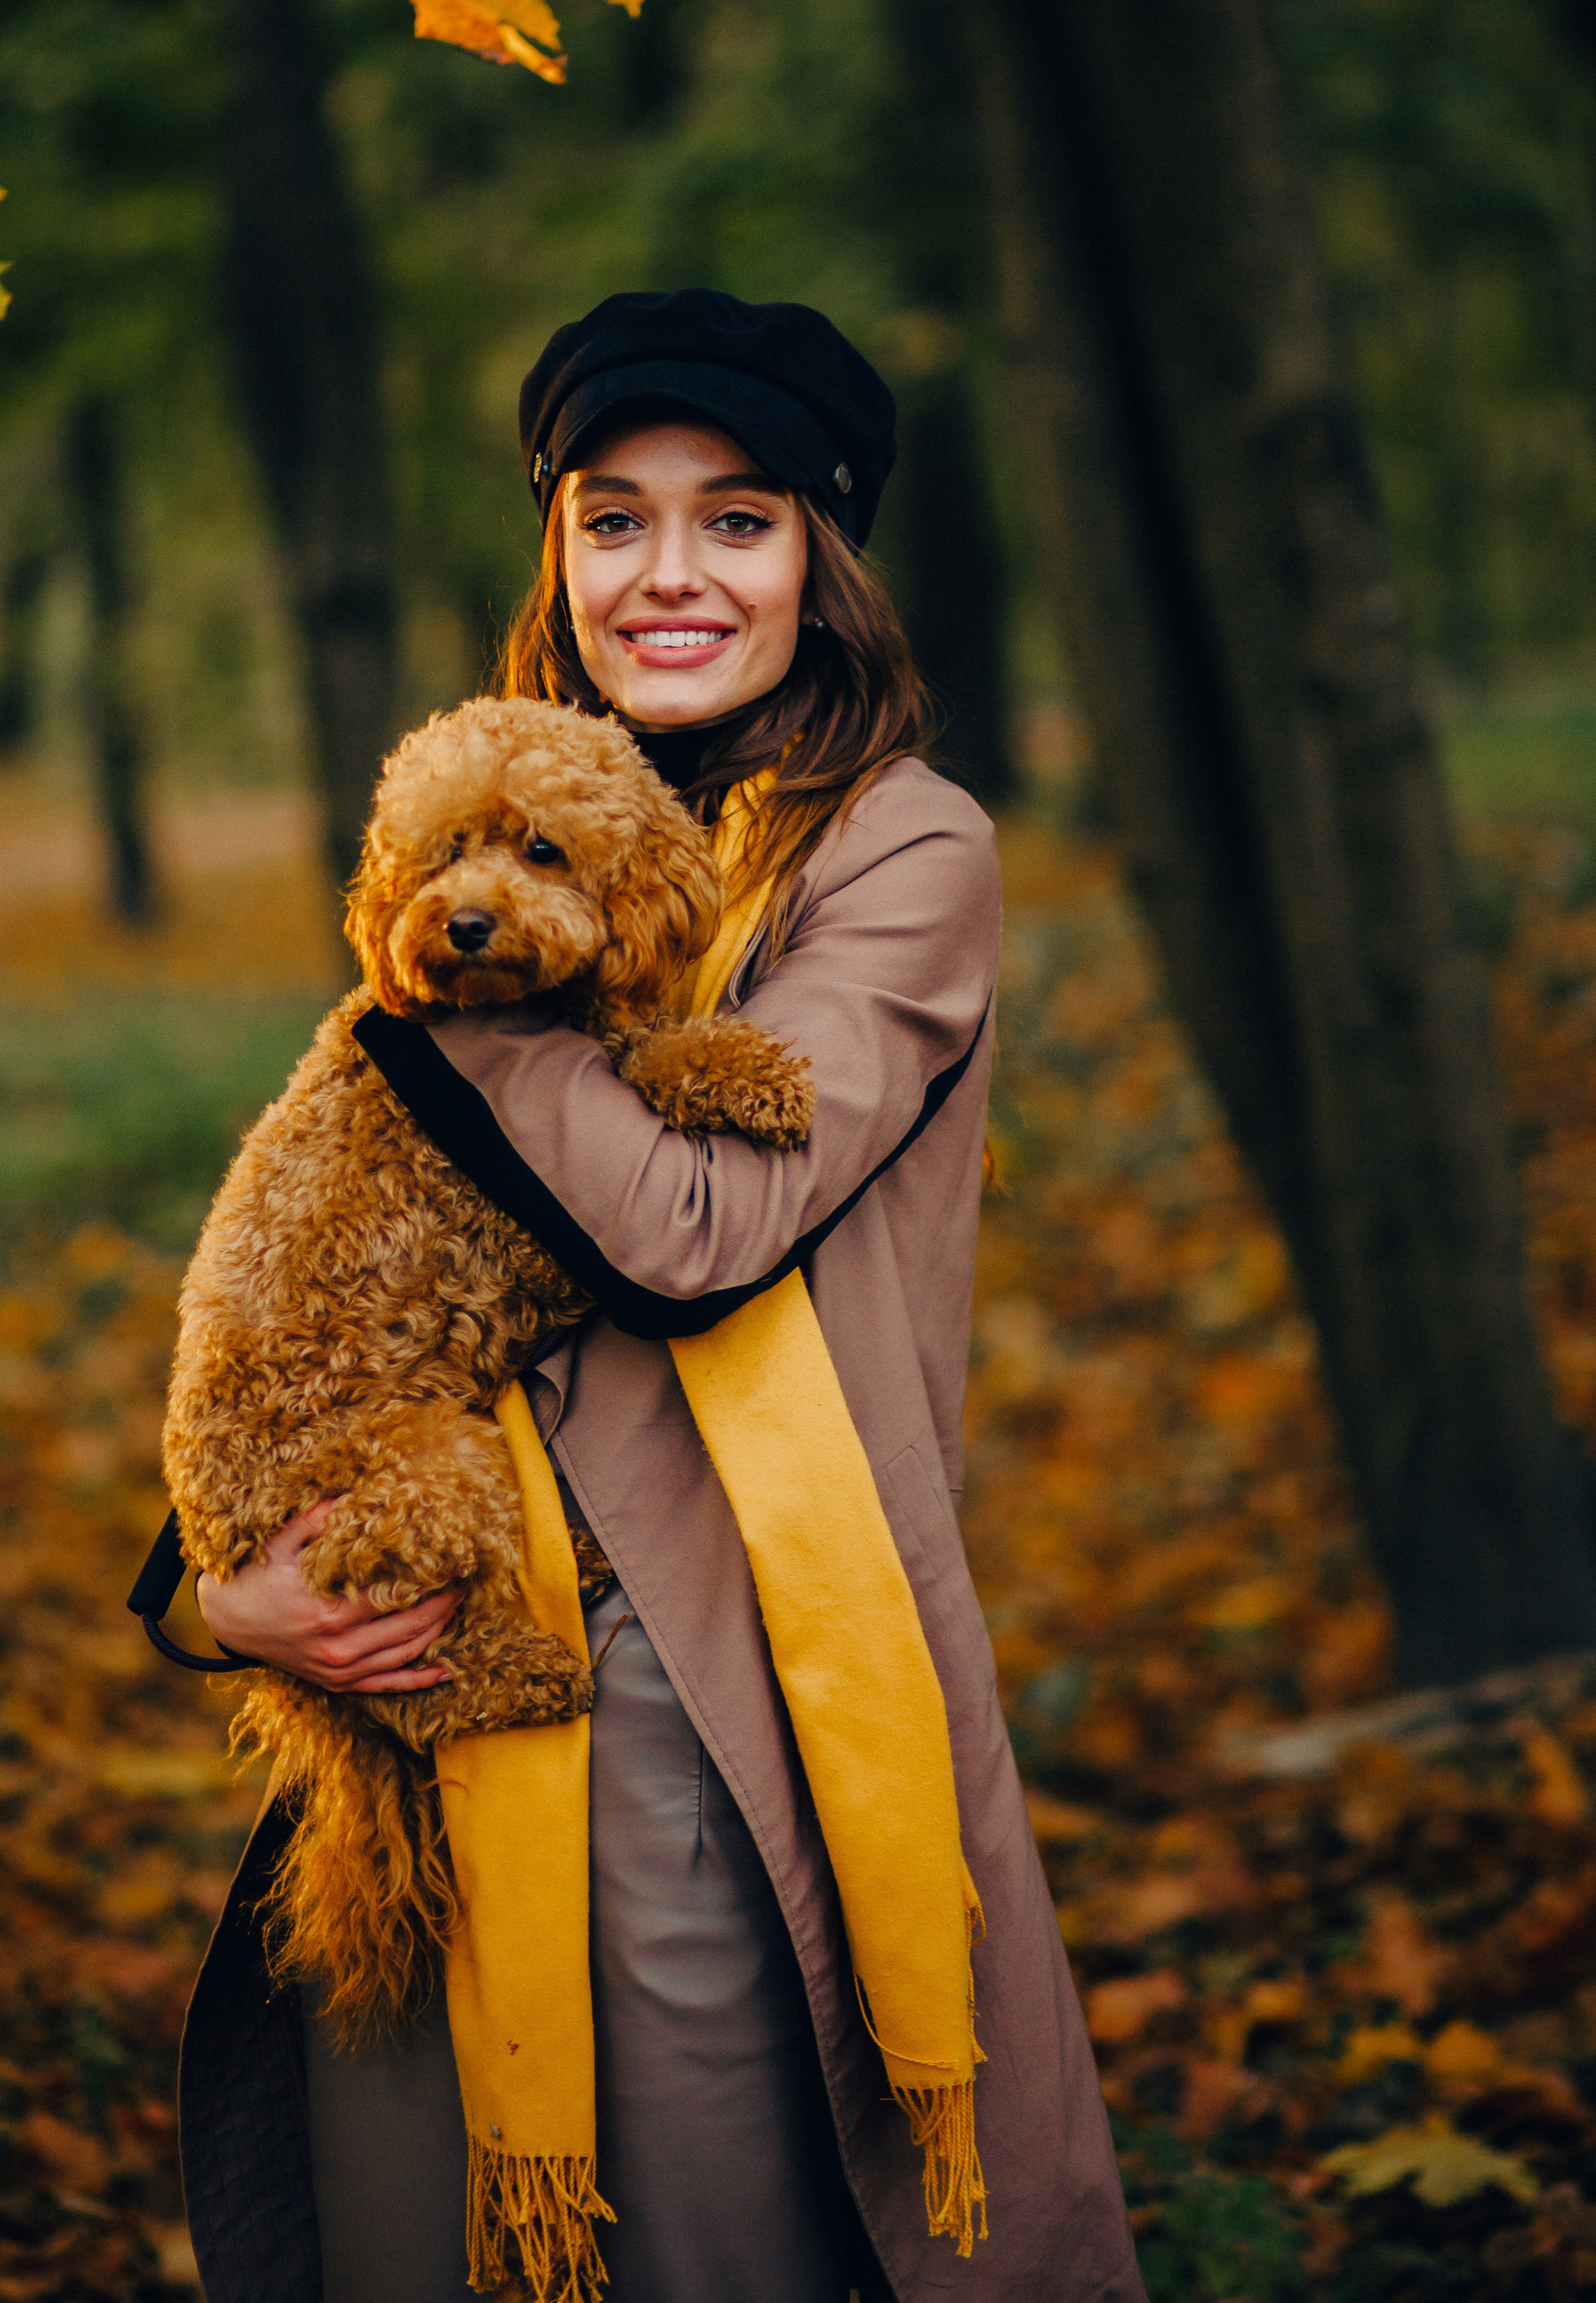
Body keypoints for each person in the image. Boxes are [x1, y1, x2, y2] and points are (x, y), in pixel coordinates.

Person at [174, 290, 1143, 2303]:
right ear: (558, 553)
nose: (669, 574)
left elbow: (695, 1232)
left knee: (710, 2238)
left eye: (742, 518)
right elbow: (350, 1268)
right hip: (431, 1648)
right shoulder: (505, 824)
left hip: (710, 1678)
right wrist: (212, 1591)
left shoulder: (901, 852)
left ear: (828, 556)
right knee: (410, 2233)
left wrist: (455, 991)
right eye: (614, 520)